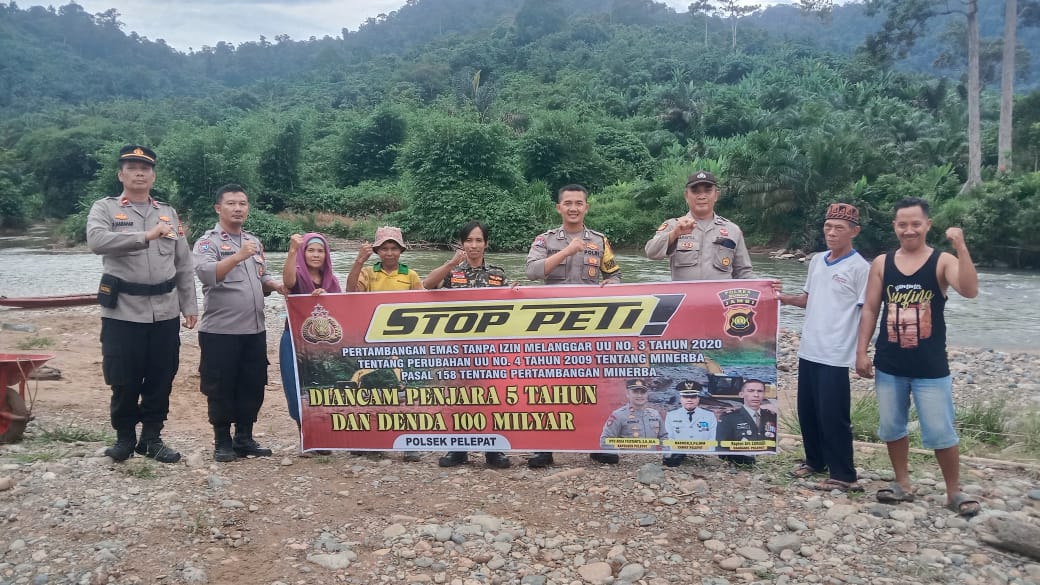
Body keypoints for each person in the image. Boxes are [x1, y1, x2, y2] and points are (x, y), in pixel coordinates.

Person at [644, 170, 780, 466]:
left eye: (707, 189)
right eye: (696, 189)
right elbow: (651, 253)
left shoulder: (731, 230)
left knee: (726, 375)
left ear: (716, 194)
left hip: (723, 317)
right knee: (685, 372)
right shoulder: (673, 224)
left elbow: (744, 272)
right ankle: (678, 443)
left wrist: (764, 292)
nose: (701, 194)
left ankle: (736, 444)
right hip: (684, 314)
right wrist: (676, 232)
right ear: (687, 195)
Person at [855, 197, 981, 517]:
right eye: (902, 224)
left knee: (940, 430)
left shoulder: (942, 262)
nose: (908, 230)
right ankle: (902, 484)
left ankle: (953, 491)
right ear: (894, 226)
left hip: (930, 366)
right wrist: (861, 351)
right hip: (890, 362)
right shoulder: (882, 263)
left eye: (915, 224)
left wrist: (962, 247)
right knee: (892, 427)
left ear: (927, 225)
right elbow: (871, 308)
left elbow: (969, 290)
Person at [86, 145, 197, 464]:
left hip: (164, 310)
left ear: (153, 175)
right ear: (120, 174)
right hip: (122, 311)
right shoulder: (105, 209)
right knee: (123, 377)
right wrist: (145, 236)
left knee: (161, 375)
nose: (139, 172)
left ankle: (151, 438)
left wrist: (189, 305)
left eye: (145, 168)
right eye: (132, 167)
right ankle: (124, 438)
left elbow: (183, 263)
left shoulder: (168, 213)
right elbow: (96, 242)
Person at [525, 184, 622, 468]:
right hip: (551, 325)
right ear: (559, 207)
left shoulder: (601, 240)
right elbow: (531, 272)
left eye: (579, 203)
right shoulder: (545, 240)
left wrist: (611, 285)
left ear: (586, 207)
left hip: (590, 325)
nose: (573, 208)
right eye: (567, 203)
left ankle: (597, 443)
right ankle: (544, 447)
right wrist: (567, 250)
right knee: (548, 384)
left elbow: (615, 275)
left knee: (595, 383)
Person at [778, 203, 869, 492]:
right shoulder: (818, 260)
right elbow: (807, 298)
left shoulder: (860, 268)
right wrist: (779, 297)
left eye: (839, 228)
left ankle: (844, 473)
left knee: (834, 414)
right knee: (808, 409)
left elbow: (867, 311)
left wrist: (861, 351)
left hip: (836, 351)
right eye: (828, 226)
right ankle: (815, 461)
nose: (831, 232)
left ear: (854, 231)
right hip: (809, 347)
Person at [193, 184, 286, 463]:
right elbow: (208, 275)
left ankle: (244, 438)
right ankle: (222, 441)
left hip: (254, 330)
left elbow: (262, 277)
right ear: (218, 208)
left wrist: (278, 285)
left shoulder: (253, 242)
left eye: (243, 203)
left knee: (252, 384)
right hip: (220, 331)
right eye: (231, 203)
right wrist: (237, 256)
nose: (238, 208)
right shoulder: (207, 243)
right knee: (220, 386)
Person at [423, 221, 511, 469]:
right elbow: (427, 285)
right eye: (469, 240)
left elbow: (513, 309)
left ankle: (494, 451)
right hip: (456, 348)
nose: (474, 245)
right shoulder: (452, 273)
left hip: (489, 349)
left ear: (486, 243)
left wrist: (517, 294)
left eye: (478, 240)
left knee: (492, 398)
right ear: (462, 244)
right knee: (458, 397)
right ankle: (457, 449)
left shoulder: (499, 274)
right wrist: (451, 262)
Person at [347, 225, 424, 461]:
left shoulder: (410, 275)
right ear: (377, 250)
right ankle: (374, 440)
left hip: (402, 343)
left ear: (401, 250)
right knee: (375, 390)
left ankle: (411, 442)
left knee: (406, 390)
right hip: (374, 342)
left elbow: (422, 303)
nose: (389, 253)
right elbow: (350, 292)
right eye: (384, 248)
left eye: (394, 248)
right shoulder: (369, 273)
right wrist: (359, 261)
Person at [281, 232, 340, 457]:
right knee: (296, 387)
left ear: (326, 255)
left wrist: (326, 297)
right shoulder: (296, 274)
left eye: (320, 251)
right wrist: (292, 251)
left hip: (323, 344)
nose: (316, 255)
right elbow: (287, 282)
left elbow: (341, 310)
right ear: (303, 253)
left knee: (321, 387)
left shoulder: (332, 281)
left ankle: (322, 436)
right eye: (311, 250)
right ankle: (305, 437)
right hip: (294, 338)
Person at [598, 379, 668, 456]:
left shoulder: (655, 414)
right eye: (635, 392)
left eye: (643, 392)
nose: (639, 395)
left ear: (647, 394)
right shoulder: (618, 415)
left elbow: (664, 437)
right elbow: (605, 441)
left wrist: (665, 455)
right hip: (629, 465)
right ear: (628, 393)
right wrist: (621, 457)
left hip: (652, 464)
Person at [716, 379, 777, 458]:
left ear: (764, 395)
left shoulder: (772, 416)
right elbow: (722, 449)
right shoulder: (729, 418)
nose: (756, 395)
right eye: (751, 391)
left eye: (760, 391)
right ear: (741, 394)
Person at [662, 380, 717, 467]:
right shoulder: (671, 415)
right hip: (679, 459)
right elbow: (669, 438)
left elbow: (713, 439)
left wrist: (705, 454)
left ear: (698, 398)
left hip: (703, 460)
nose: (689, 399)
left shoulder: (709, 416)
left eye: (693, 396)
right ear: (681, 399)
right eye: (686, 396)